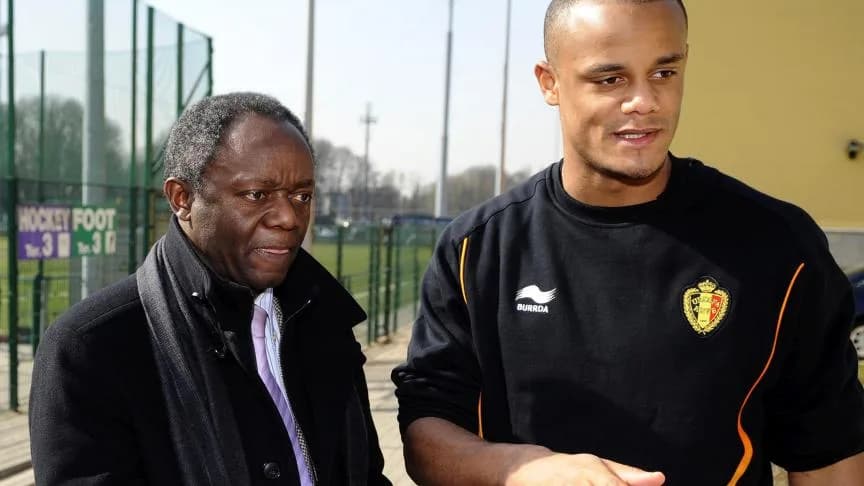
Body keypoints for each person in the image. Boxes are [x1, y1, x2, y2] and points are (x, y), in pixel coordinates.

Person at [392, 0, 864, 484]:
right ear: (550, 82)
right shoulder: (476, 249)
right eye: (610, 79)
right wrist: (519, 470)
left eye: (664, 73)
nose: (645, 101)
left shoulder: (778, 246)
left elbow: (829, 454)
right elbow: (427, 434)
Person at [30, 92, 391, 486]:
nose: (289, 217)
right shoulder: (92, 349)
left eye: (301, 196)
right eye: (257, 195)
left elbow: (367, 475)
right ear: (182, 198)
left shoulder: (326, 322)